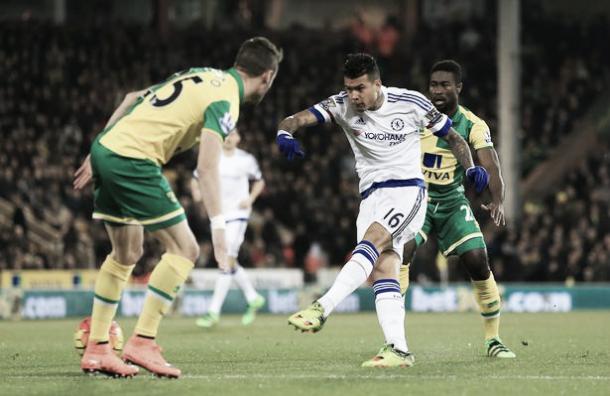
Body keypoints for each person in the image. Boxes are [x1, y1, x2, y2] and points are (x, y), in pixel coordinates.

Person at [72, 37, 282, 378]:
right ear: (268, 76)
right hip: (134, 159)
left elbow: (130, 99)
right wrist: (219, 230)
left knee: (126, 253)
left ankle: (97, 348)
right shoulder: (227, 98)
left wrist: (98, 150)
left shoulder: (199, 74)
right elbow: (207, 167)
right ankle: (143, 340)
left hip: (107, 149)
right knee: (185, 249)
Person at [278, 53, 488, 368]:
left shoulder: (412, 103)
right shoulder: (342, 105)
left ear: (377, 83)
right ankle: (398, 349)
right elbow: (296, 119)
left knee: (371, 245)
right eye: (349, 88)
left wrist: (470, 167)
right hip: (371, 198)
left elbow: (455, 138)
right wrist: (285, 133)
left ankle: (322, 307)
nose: (353, 95)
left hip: (407, 192)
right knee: (383, 268)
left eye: (360, 88)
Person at [399, 60, 516, 358]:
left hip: (451, 201)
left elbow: (491, 164)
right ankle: (394, 339)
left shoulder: (473, 124)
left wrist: (497, 198)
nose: (437, 90)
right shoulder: (416, 117)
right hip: (417, 199)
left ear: (458, 88)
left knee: (477, 259)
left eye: (444, 85)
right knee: (403, 251)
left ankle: (493, 340)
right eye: (434, 84)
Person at [191, 128, 266, 328]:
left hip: (239, 215)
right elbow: (195, 177)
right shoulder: (212, 156)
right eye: (226, 134)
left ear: (238, 138)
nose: (229, 138)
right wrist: (197, 193)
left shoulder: (246, 159)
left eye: (233, 135)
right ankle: (252, 297)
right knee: (229, 261)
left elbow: (259, 181)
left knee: (225, 259)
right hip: (219, 215)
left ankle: (213, 311)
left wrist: (250, 199)